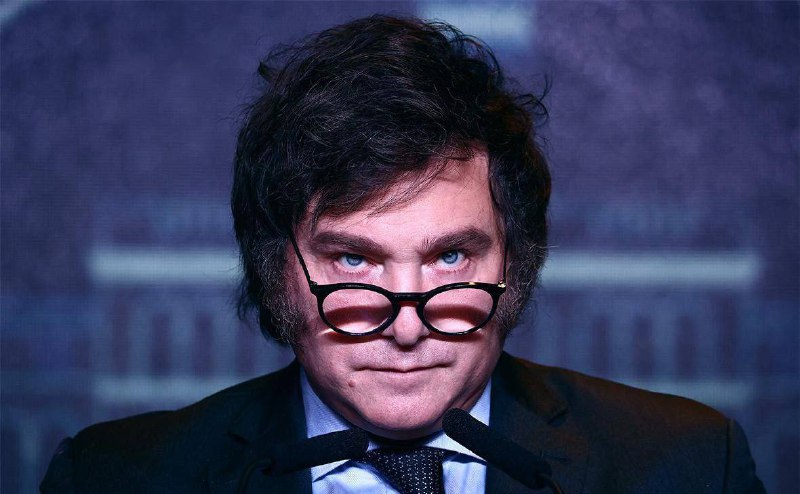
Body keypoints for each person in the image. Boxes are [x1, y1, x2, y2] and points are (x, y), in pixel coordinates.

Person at [41, 15, 764, 494]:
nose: (409, 327)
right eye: (354, 262)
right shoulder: (114, 479)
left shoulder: (688, 467)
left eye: (451, 258)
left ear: (514, 268)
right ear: (276, 273)